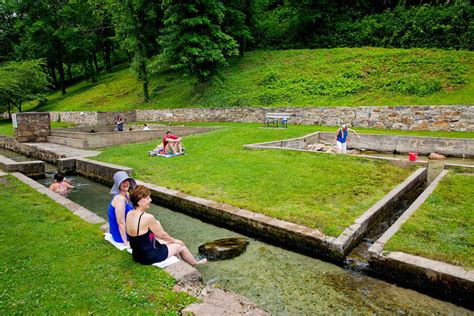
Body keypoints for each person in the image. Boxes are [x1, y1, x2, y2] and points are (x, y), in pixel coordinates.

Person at [126, 185, 207, 265]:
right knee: (180, 245)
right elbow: (162, 235)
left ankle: (180, 261)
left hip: (137, 255)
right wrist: (175, 240)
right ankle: (195, 263)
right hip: (149, 257)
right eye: (147, 198)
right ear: (139, 202)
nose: (150, 200)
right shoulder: (147, 217)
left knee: (166, 242)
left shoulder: (129, 213)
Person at [108, 171, 136, 246]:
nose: (126, 183)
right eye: (122, 181)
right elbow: (120, 223)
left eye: (127, 181)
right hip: (120, 235)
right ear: (118, 184)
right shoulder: (120, 199)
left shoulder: (126, 194)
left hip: (128, 228)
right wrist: (126, 243)